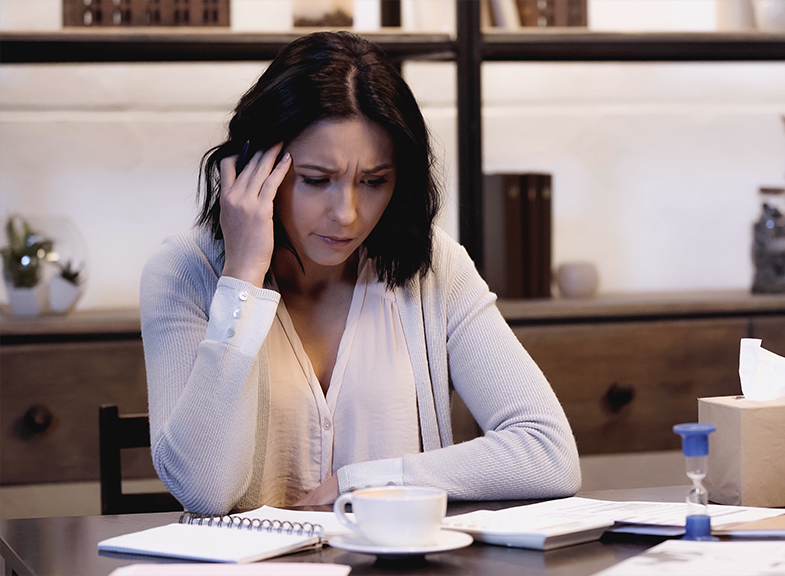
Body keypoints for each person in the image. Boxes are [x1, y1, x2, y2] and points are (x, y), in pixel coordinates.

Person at [140, 31, 581, 515]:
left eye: (373, 182)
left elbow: (549, 453)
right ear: (251, 166)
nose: (347, 214)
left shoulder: (434, 270)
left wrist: (367, 482)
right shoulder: (184, 272)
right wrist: (243, 278)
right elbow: (205, 491)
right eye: (316, 180)